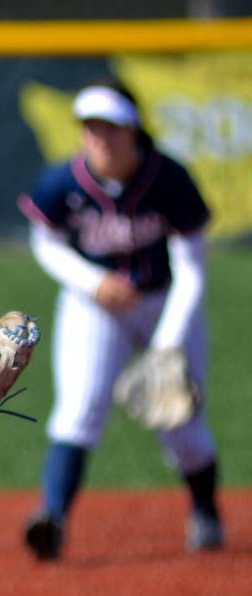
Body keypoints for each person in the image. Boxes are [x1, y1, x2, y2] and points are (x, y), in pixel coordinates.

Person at [18, 76, 223, 560]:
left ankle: (206, 513)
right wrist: (92, 283)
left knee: (179, 422)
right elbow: (44, 243)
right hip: (95, 307)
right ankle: (53, 517)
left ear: (134, 131)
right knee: (79, 406)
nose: (100, 139)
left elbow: (192, 269)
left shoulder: (168, 179)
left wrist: (168, 343)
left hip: (164, 303)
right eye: (90, 128)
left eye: (110, 128)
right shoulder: (63, 182)